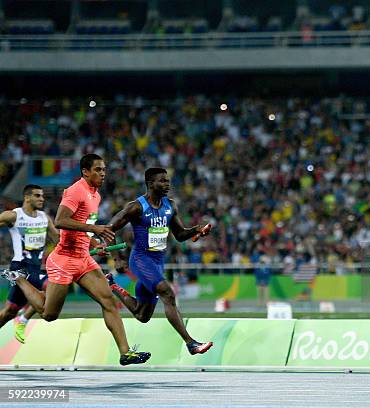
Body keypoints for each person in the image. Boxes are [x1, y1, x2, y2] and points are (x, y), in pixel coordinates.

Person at [0, 154, 151, 365]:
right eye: (98, 169)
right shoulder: (75, 191)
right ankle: (19, 279)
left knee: (108, 301)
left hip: (84, 260)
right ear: (85, 172)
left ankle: (125, 353)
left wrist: (93, 244)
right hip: (63, 260)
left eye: (104, 169)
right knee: (48, 313)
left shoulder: (95, 195)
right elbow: (61, 221)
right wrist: (94, 229)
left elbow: (81, 229)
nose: (103, 173)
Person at [106, 167, 213, 355]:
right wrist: (116, 258)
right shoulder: (136, 207)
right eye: (162, 181)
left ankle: (113, 287)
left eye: (168, 180)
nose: (167, 184)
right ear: (150, 184)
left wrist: (196, 229)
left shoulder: (170, 205)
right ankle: (191, 343)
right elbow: (108, 229)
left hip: (157, 262)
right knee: (168, 293)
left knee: (142, 315)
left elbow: (179, 235)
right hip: (140, 259)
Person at [0, 185, 58, 343]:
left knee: (9, 312)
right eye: (38, 196)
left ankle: (21, 319)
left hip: (35, 268)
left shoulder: (43, 217)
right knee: (53, 285)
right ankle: (24, 319)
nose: (42, 199)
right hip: (20, 268)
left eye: (42, 196)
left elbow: (58, 239)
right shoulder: (13, 216)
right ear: (27, 197)